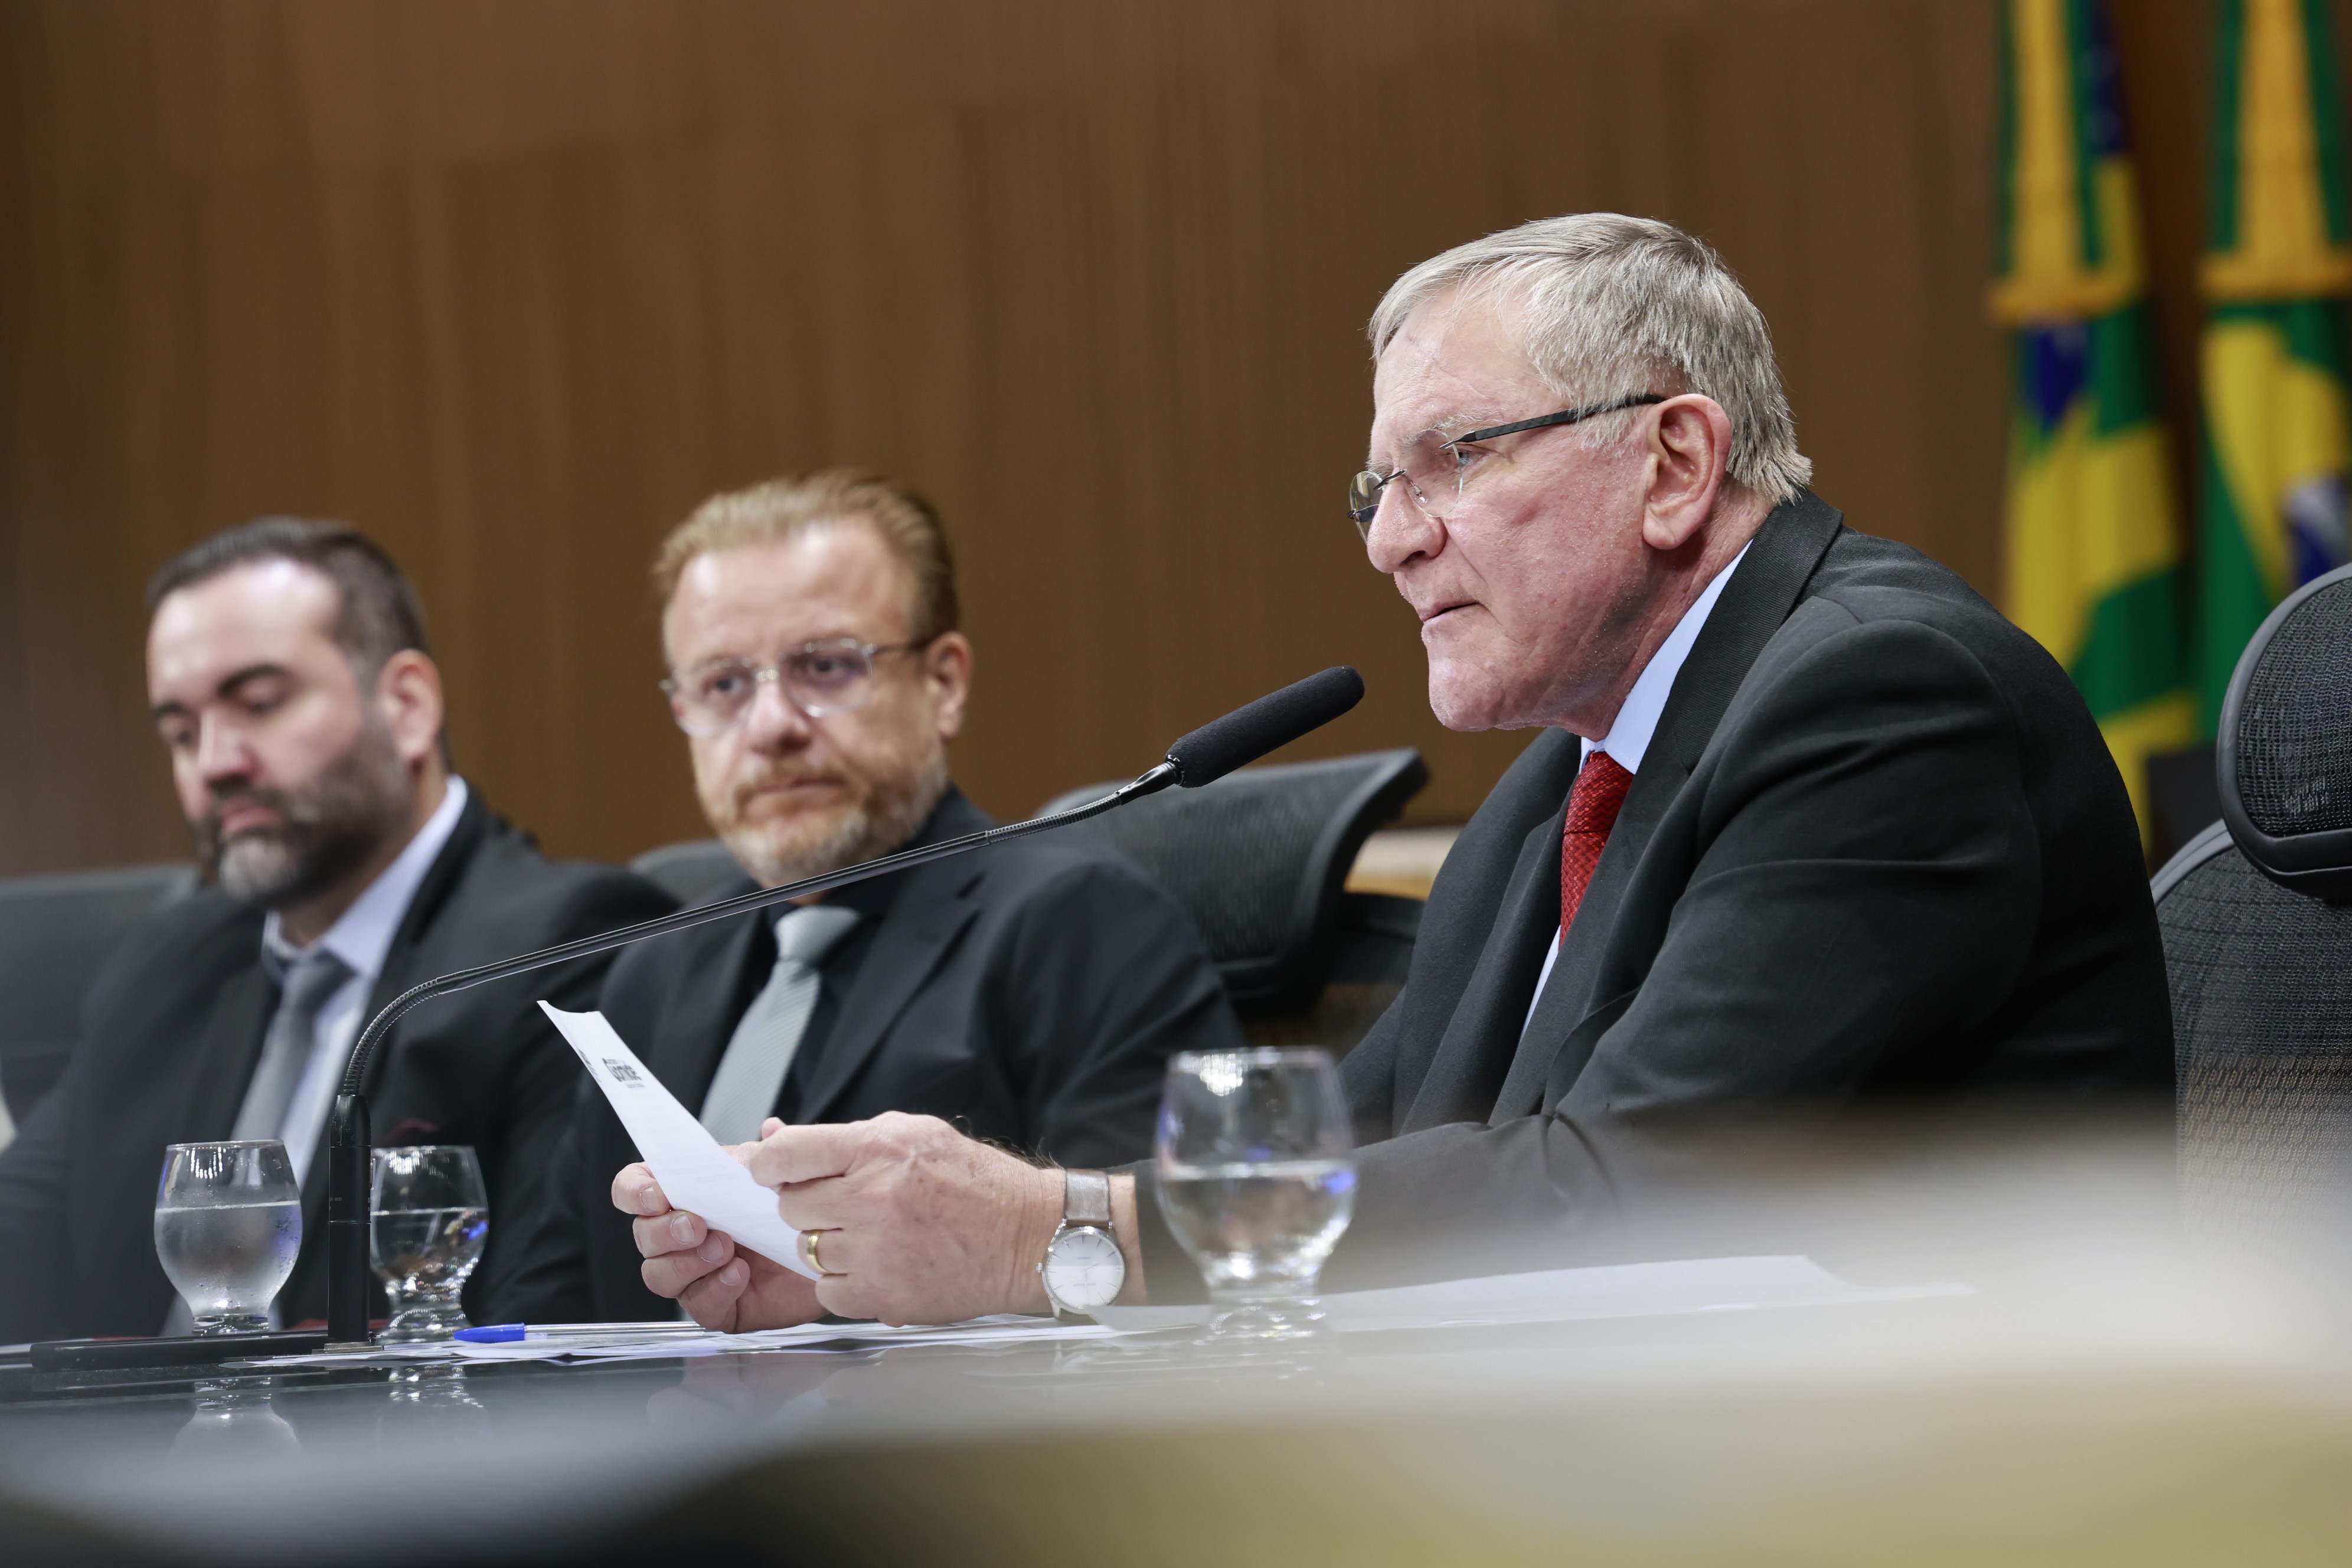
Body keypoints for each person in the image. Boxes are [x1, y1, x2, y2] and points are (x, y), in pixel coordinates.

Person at [617, 215, 2174, 1331]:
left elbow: (1629, 1196)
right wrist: (888, 1255)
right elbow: (1341, 1156)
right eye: (1378, 485)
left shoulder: (1883, 702)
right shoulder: (1563, 781)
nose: (1392, 539)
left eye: (1458, 459)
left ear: (1675, 462)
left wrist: (1049, 1237)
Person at [498, 471, 1243, 1322]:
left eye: (825, 666)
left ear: (944, 683)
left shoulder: (1083, 925)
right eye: (723, 685)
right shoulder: (651, 974)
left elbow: (1174, 1294)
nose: (771, 727)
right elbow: (546, 1318)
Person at [0, 520, 674, 1342]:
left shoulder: (565, 944)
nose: (215, 762)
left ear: (408, 707)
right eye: (180, 732)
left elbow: (543, 1331)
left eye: (260, 704)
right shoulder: (163, 964)